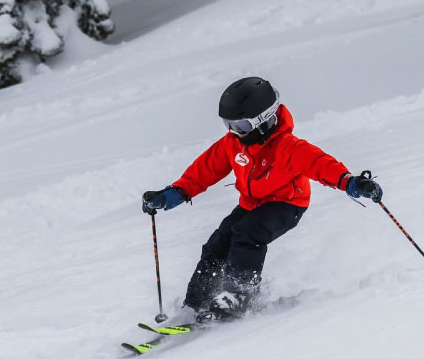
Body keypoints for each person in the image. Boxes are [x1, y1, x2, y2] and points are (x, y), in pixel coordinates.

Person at [142, 77, 383, 319]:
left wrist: (351, 182)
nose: (234, 132)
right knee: (218, 244)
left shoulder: (288, 147)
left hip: (287, 204)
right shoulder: (232, 143)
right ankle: (197, 302)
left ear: (264, 120)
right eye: (229, 124)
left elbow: (320, 164)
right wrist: (173, 194)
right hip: (252, 203)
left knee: (247, 233)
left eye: (241, 126)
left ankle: (238, 296)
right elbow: (204, 171)